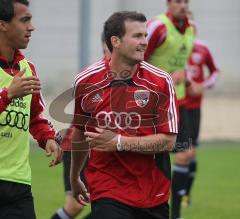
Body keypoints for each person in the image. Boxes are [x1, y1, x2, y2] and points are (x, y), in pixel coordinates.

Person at [70, 11, 178, 219]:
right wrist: (74, 176)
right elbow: (80, 133)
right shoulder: (86, 81)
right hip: (107, 187)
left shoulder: (161, 81)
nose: (145, 42)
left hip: (152, 191)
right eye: (137, 36)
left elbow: (169, 142)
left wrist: (119, 142)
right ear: (115, 41)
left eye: (145, 36)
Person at [0, 1, 62, 218]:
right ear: (3, 25)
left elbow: (35, 116)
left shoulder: (28, 68)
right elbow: (8, 98)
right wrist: (6, 96)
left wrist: (48, 139)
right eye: (24, 20)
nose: (32, 27)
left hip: (18, 183)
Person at [51, 35, 111, 219]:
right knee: (76, 205)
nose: (107, 56)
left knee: (114, 202)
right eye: (104, 51)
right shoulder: (95, 77)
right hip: (78, 147)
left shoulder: (130, 74)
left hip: (102, 150)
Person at [144, 1, 195, 218]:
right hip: (155, 104)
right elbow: (138, 61)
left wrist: (187, 79)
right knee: (155, 159)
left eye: (186, 1)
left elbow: (181, 63)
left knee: (185, 154)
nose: (182, 5)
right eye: (178, 1)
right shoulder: (158, 27)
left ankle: (175, 214)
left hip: (179, 103)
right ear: (168, 3)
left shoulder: (191, 28)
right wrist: (165, 79)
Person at [181, 11, 220, 207]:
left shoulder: (203, 49)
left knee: (190, 151)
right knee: (178, 150)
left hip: (193, 108)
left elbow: (215, 72)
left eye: (191, 23)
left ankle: (185, 194)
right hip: (176, 106)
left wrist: (202, 85)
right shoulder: (171, 49)